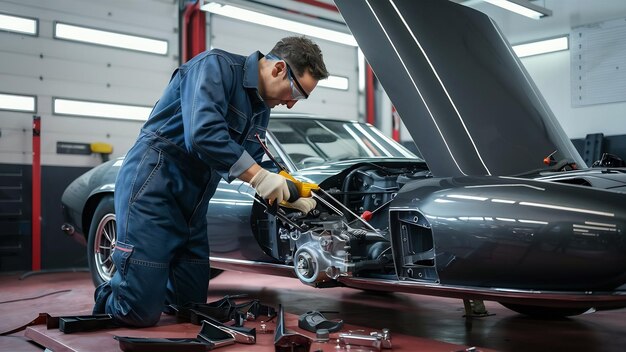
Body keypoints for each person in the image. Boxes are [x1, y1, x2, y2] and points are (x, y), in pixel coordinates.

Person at [93, 36, 329, 327]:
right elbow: (203, 135)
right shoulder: (215, 67)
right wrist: (259, 177)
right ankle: (112, 293)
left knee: (190, 307)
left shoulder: (261, 107)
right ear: (279, 68)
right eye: (296, 91)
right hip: (154, 186)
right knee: (137, 312)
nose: (291, 103)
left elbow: (254, 154)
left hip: (194, 202)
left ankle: (146, 286)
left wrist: (287, 184)